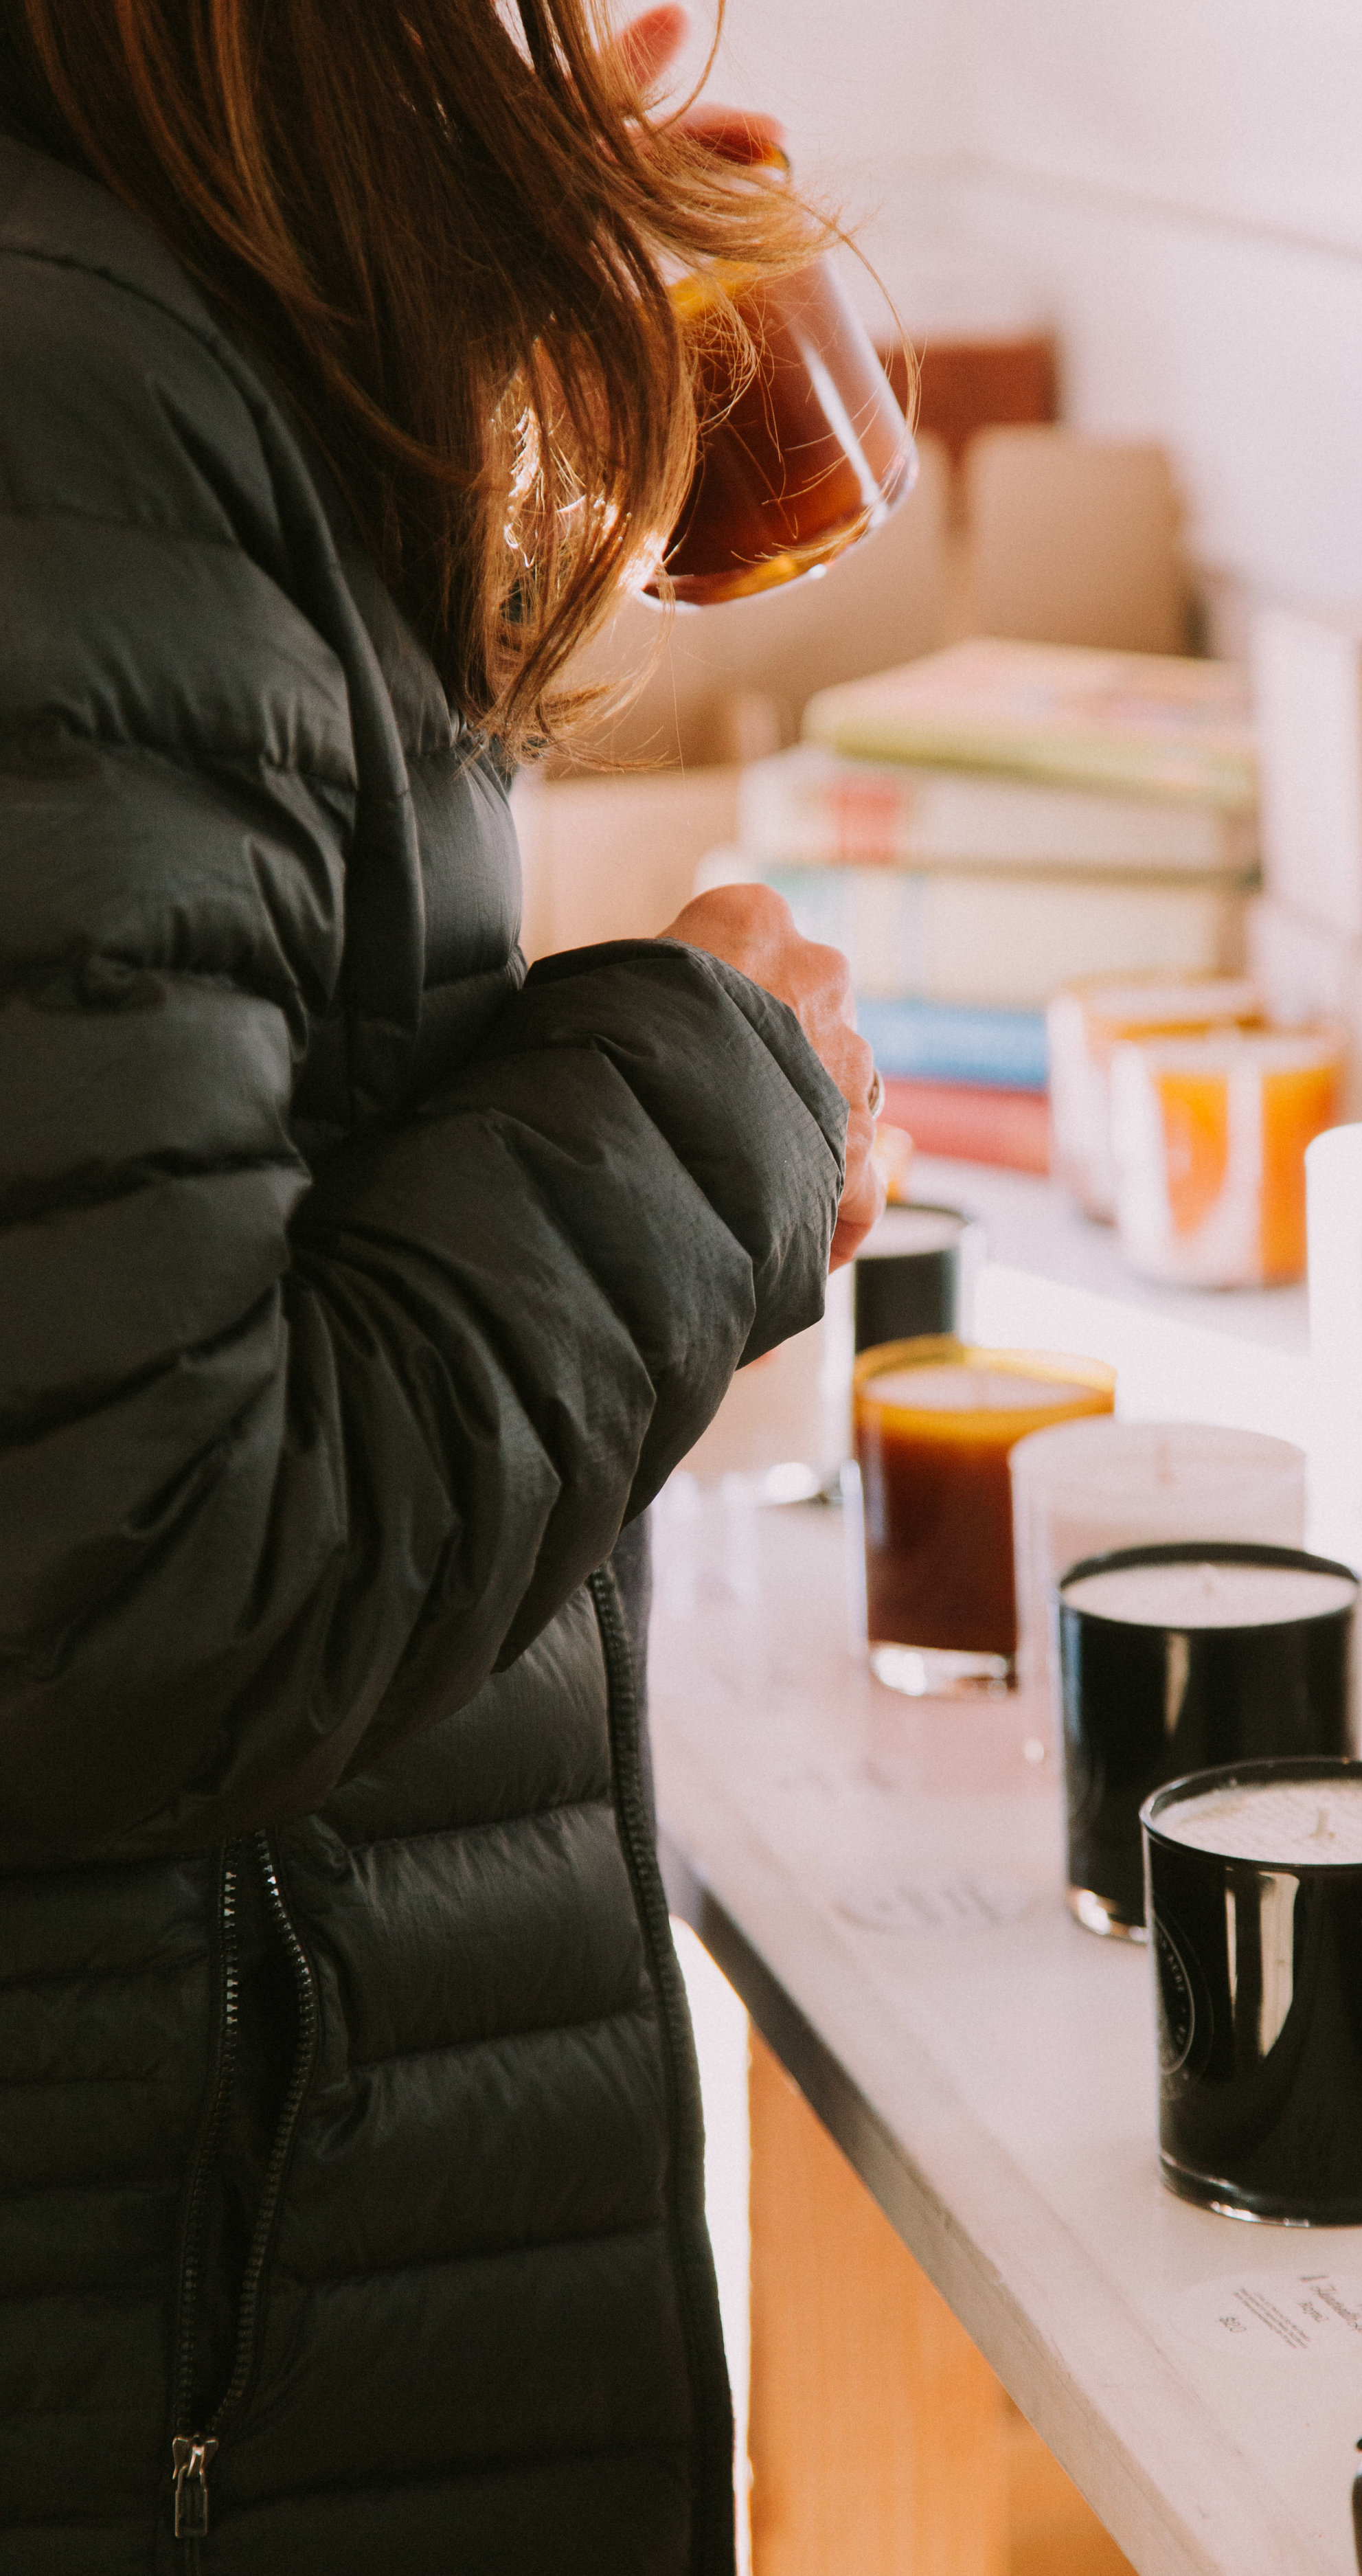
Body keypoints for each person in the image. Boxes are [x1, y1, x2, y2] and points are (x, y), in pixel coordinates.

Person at [0, 2, 880, 2566]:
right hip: (200, 2379)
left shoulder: (128, 304)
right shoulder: (64, 385)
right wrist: (724, 1102)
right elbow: (145, 1582)